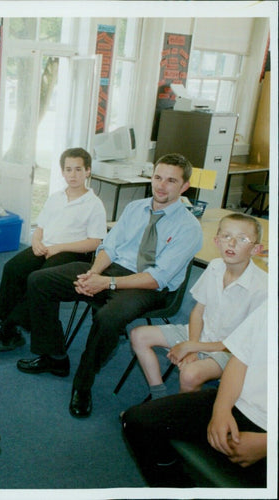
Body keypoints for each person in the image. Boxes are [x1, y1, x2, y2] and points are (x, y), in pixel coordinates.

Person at [17, 153, 203, 418]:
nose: (161, 186)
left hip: (148, 286)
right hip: (112, 270)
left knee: (108, 317)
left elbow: (157, 278)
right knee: (40, 280)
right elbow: (109, 247)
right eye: (158, 177)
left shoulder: (189, 227)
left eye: (171, 181)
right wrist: (92, 273)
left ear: (184, 187)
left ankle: (83, 384)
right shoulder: (134, 209)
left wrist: (107, 283)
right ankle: (54, 357)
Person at [121, 300, 268, 487]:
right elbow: (240, 359)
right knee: (136, 421)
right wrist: (221, 410)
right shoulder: (269, 307)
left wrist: (268, 444)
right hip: (238, 400)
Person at [0, 147, 106, 352]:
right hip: (46, 246)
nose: (72, 175)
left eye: (78, 169)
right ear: (62, 172)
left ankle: (8, 327)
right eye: (68, 169)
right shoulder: (56, 197)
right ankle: (9, 326)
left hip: (73, 252)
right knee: (13, 267)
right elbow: (40, 228)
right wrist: (37, 241)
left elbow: (94, 242)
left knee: (39, 278)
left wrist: (59, 248)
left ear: (88, 171)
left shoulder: (94, 204)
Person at [130, 213, 266, 399]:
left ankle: (180, 415)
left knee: (190, 374)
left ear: (256, 249)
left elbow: (245, 344)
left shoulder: (262, 288)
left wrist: (191, 346)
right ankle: (159, 398)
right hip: (200, 335)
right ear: (216, 241)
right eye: (226, 236)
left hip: (231, 351)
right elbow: (198, 312)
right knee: (139, 335)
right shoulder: (215, 267)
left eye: (242, 239)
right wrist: (192, 346)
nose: (232, 244)